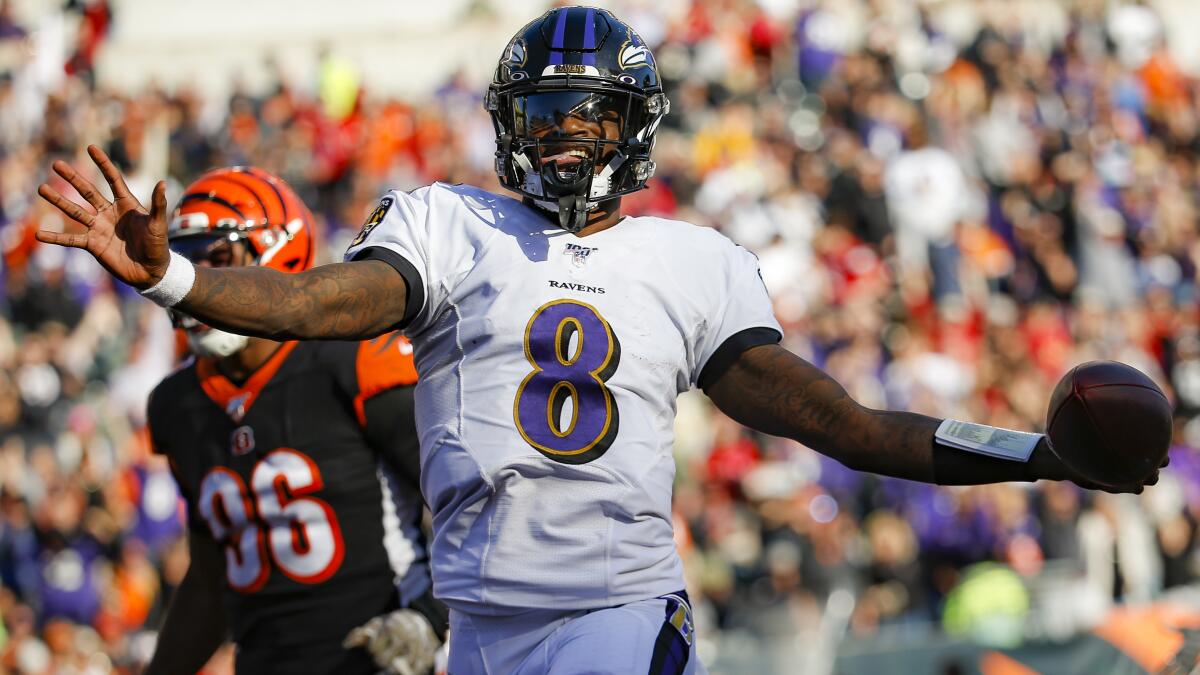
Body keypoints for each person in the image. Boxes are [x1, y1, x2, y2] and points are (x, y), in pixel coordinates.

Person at [35, 8, 1162, 674]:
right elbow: (321, 303)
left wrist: (1042, 456)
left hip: (610, 620)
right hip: (474, 627)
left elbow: (851, 427)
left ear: (636, 129)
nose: (567, 139)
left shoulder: (693, 262)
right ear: (506, 128)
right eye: (545, 117)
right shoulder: (450, 222)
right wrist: (177, 277)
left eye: (591, 117)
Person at [139, 167, 446, 675]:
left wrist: (431, 618)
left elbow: (469, 505)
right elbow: (212, 574)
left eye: (214, 257)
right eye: (182, 260)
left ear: (276, 253)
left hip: (382, 657)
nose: (196, 279)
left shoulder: (352, 361)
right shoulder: (176, 404)